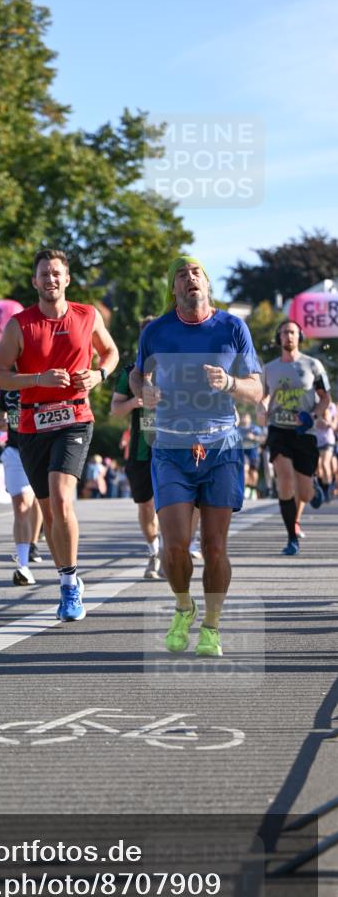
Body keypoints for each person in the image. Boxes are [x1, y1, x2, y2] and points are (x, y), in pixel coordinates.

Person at [131, 256, 263, 657]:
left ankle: (211, 626)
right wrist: (144, 390)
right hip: (171, 448)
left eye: (196, 273)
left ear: (206, 283)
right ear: (173, 289)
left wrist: (231, 383)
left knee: (214, 547)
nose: (190, 279)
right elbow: (137, 373)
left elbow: (256, 389)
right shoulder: (156, 331)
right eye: (181, 275)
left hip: (221, 447)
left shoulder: (232, 328)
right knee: (174, 546)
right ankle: (184, 606)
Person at [0, 248, 119, 621]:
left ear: (67, 279)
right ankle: (66, 577)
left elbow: (110, 352)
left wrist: (98, 375)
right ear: (35, 281)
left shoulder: (87, 315)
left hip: (75, 417)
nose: (51, 279)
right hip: (32, 424)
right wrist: (38, 379)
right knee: (47, 511)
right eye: (44, 274)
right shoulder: (19, 325)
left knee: (62, 499)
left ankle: (69, 585)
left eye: (56, 273)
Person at [257, 321, 331, 555]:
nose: (288, 336)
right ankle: (291, 537)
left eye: (292, 332)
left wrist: (313, 415)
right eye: (284, 332)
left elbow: (325, 398)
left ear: (300, 336)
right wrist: (262, 407)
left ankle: (313, 487)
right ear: (278, 337)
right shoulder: (269, 368)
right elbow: (263, 397)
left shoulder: (313, 365)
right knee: (285, 480)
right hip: (279, 431)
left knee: (304, 493)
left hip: (304, 433)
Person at [111, 315, 163, 579]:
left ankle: (174, 549)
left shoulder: (175, 369)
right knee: (145, 506)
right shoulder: (130, 372)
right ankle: (154, 551)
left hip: (171, 448)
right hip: (141, 450)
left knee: (177, 504)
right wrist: (133, 403)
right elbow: (115, 409)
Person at [0, 387, 44, 586]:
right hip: (15, 450)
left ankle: (34, 543)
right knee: (21, 506)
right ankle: (23, 566)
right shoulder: (8, 380)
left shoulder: (46, 376)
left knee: (40, 501)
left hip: (42, 448)